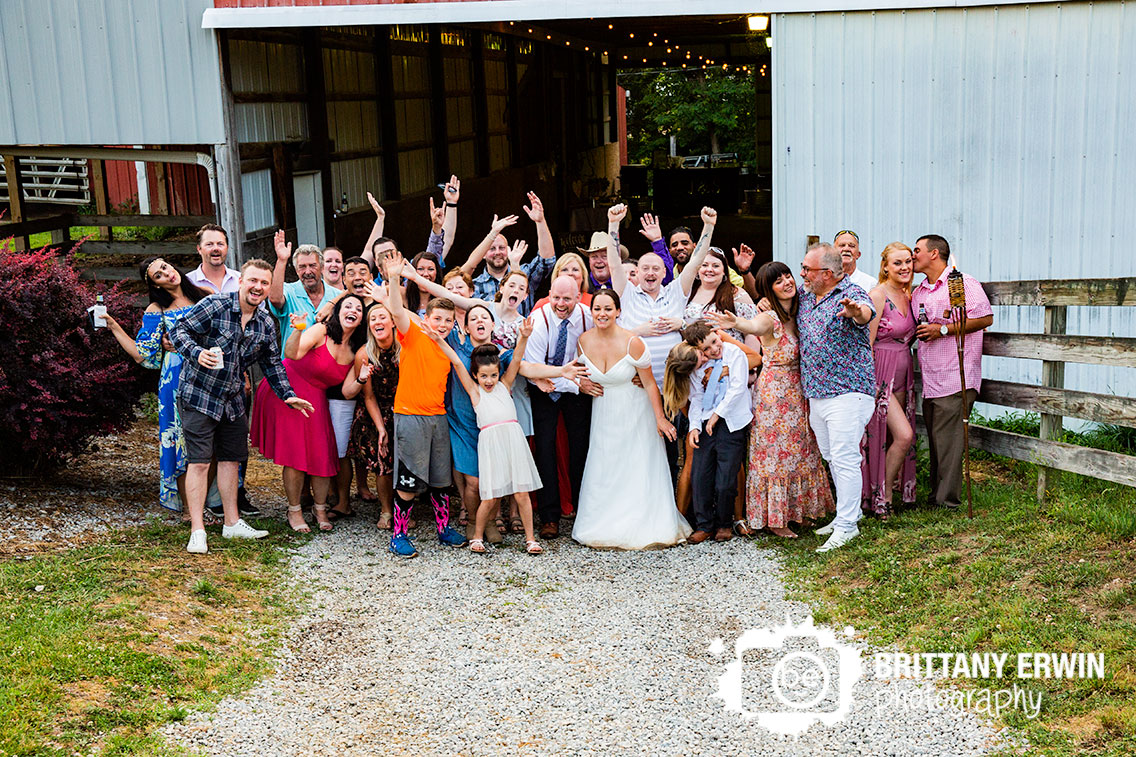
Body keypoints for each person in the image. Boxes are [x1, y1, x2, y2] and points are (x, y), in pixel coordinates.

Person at [170, 259, 315, 554]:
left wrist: (287, 395)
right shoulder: (215, 305)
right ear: (241, 281)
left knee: (231, 461)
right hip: (199, 395)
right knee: (199, 462)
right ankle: (197, 530)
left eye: (264, 283)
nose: (258, 287)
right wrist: (196, 353)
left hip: (234, 400)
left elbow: (273, 364)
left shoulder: (265, 324)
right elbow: (179, 331)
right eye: (253, 281)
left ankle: (232, 523)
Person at [709, 263, 835, 538]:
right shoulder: (770, 318)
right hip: (775, 394)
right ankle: (775, 519)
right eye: (778, 281)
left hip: (801, 390)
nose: (787, 282)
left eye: (788, 276)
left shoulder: (801, 310)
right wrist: (737, 323)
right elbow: (753, 325)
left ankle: (797, 511)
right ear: (769, 289)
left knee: (802, 452)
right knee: (776, 456)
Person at [572, 290, 690, 549]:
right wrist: (581, 383)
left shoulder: (632, 342)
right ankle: (602, 523)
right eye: (597, 309)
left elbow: (649, 384)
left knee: (635, 464)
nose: (602, 314)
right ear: (591, 312)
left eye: (607, 309)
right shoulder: (582, 341)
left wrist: (660, 418)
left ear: (618, 311)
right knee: (605, 465)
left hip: (635, 412)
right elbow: (576, 371)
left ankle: (640, 522)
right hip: (603, 413)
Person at [250, 294, 366, 532]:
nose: (352, 310)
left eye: (358, 308)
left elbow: (346, 390)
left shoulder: (357, 350)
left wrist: (363, 379)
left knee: (321, 453)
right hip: (287, 388)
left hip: (316, 398)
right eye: (347, 306)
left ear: (362, 318)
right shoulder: (320, 330)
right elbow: (292, 354)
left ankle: (319, 508)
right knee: (295, 454)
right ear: (337, 312)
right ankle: (294, 511)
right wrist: (297, 330)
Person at [104, 257, 210, 512]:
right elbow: (142, 354)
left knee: (213, 438)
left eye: (165, 267)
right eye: (158, 275)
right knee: (182, 441)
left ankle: (214, 502)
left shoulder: (205, 296)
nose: (166, 273)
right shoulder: (157, 310)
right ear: (156, 286)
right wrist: (114, 326)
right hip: (175, 382)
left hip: (209, 375)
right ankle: (190, 508)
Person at [431, 324, 548, 554]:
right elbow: (456, 361)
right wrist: (438, 340)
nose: (489, 380)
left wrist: (523, 338)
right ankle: (477, 536)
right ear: (475, 375)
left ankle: (531, 539)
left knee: (522, 493)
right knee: (491, 496)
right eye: (483, 376)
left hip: (513, 440)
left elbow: (515, 361)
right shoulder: (475, 393)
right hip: (491, 443)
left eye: (493, 375)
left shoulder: (505, 385)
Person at [380, 252, 468, 557]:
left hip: (437, 416)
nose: (442, 324)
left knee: (440, 480)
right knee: (409, 479)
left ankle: (443, 529)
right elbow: (396, 309)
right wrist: (393, 278)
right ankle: (399, 534)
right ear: (426, 318)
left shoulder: (449, 345)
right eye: (437, 319)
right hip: (410, 415)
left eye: (447, 319)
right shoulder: (413, 333)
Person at [797, 243, 876, 552]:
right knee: (831, 455)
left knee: (845, 458)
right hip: (817, 392)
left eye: (807, 269)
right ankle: (849, 512)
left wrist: (858, 314)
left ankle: (847, 526)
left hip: (848, 392)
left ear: (827, 274)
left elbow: (864, 313)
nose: (801, 273)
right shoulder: (806, 294)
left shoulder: (852, 294)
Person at [911, 235, 993, 509]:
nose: (913, 255)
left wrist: (943, 329)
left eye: (917, 250)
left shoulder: (961, 283)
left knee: (949, 442)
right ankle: (936, 495)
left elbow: (984, 317)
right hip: (932, 377)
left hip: (956, 375)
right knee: (937, 442)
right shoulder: (919, 291)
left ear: (934, 254)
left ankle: (946, 502)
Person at [524, 275, 604, 538]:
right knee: (545, 450)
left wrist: (578, 384)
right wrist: (572, 382)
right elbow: (535, 371)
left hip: (578, 389)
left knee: (580, 448)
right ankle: (550, 517)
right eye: (556, 297)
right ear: (549, 294)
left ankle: (586, 511)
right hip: (544, 388)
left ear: (579, 296)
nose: (560, 303)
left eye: (567, 299)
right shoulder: (538, 321)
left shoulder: (587, 316)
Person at [680, 320, 753, 543]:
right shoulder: (699, 364)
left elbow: (738, 387)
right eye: (706, 349)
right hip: (705, 422)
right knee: (701, 474)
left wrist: (717, 415)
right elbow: (696, 397)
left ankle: (724, 523)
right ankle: (704, 524)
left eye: (713, 342)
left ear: (716, 334)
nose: (713, 349)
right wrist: (694, 426)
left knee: (726, 476)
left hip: (731, 421)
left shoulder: (734, 354)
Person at [861, 242, 917, 519]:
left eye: (908, 261)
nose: (905, 267)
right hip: (881, 375)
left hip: (903, 376)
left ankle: (881, 493)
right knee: (903, 435)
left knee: (893, 437)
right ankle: (884, 497)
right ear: (885, 266)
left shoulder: (909, 295)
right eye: (898, 263)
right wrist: (869, 383)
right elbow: (866, 343)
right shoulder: (878, 295)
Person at [343, 300, 400, 529]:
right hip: (374, 411)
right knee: (383, 460)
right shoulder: (364, 354)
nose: (377, 321)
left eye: (382, 317)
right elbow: (368, 397)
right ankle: (386, 510)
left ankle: (403, 509)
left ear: (394, 322)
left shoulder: (403, 349)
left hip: (402, 407)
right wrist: (381, 428)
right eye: (373, 319)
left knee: (403, 462)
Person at [468, 192, 556, 315]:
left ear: (508, 250)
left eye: (501, 248)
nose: (497, 252)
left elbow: (547, 261)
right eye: (492, 249)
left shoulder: (524, 273)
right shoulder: (474, 286)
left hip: (523, 334)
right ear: (483, 254)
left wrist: (540, 221)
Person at [268, 232, 344, 345]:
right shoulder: (289, 291)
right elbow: (275, 299)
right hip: (294, 362)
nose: (308, 272)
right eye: (302, 267)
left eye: (313, 265)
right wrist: (282, 260)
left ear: (322, 267)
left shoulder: (337, 296)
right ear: (296, 271)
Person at [186, 224, 239, 295]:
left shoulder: (241, 280)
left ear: (227, 248)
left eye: (220, 244)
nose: (215, 248)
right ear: (199, 249)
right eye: (209, 244)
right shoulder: (188, 284)